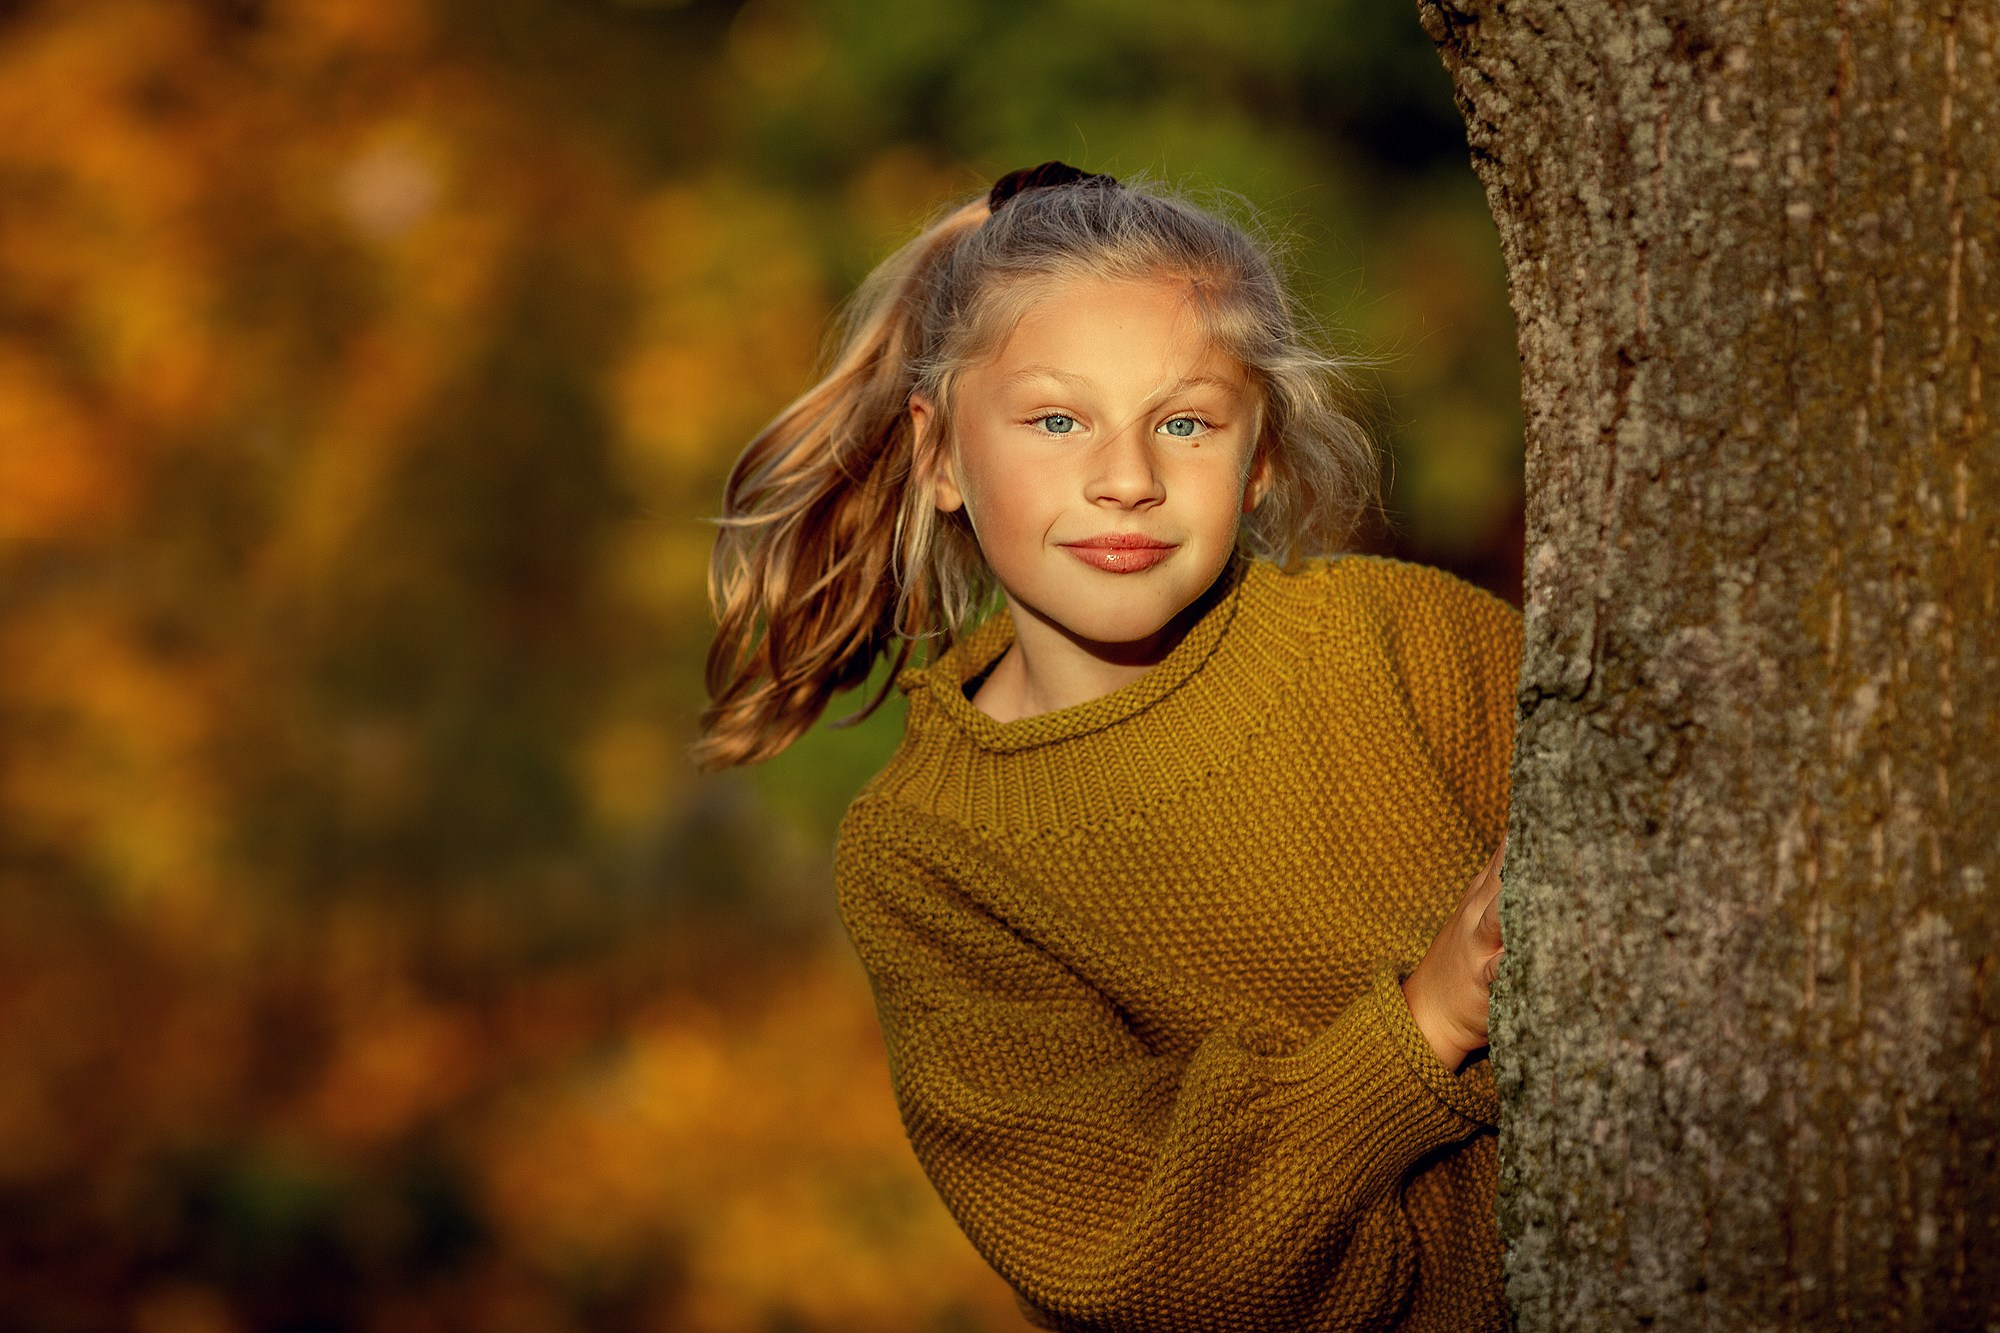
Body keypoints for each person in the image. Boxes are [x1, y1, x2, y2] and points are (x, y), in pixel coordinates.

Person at [696, 161, 1518, 1332]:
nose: (1126, 480)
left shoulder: (1399, 639)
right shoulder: (925, 855)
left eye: (1183, 422)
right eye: (1055, 420)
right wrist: (1422, 1029)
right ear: (936, 455)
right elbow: (1122, 1256)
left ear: (1261, 454)